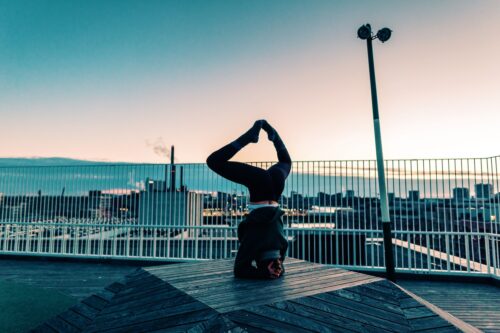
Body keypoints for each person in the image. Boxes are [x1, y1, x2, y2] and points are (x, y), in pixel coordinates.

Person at [206, 120, 292, 279]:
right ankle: (248, 138)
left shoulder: (281, 246)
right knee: (213, 162)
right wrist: (264, 273)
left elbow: (279, 269)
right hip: (260, 187)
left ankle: (273, 136)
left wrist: (275, 269)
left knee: (286, 163)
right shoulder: (254, 243)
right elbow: (240, 270)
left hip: (275, 191)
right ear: (258, 261)